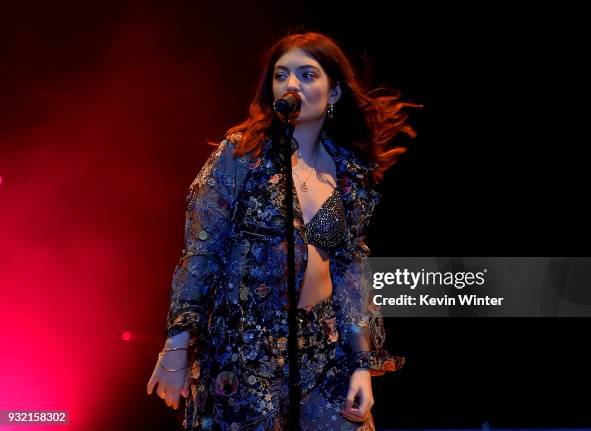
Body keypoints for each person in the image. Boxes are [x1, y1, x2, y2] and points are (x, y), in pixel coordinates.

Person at [147, 31, 418, 430]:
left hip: (323, 352)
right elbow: (200, 251)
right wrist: (176, 346)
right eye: (281, 75)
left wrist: (360, 365)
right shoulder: (241, 156)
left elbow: (349, 273)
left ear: (335, 92)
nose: (291, 84)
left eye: (308, 75)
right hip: (244, 349)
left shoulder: (348, 174)